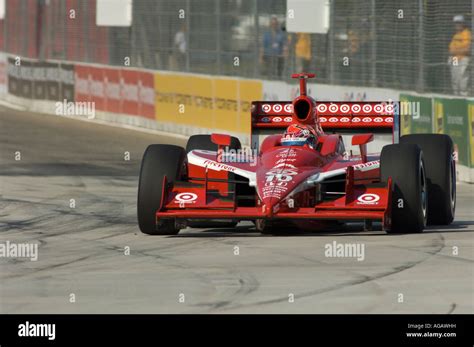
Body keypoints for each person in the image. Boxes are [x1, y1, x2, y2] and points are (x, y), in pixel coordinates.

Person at [448, 15, 471, 96]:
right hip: (454, 59)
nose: (457, 25)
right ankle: (456, 94)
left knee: (462, 76)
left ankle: (463, 95)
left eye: (459, 23)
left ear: (463, 23)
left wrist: (456, 51)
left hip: (463, 58)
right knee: (454, 76)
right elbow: (450, 50)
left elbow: (467, 49)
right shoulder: (455, 35)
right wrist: (457, 51)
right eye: (456, 23)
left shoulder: (466, 33)